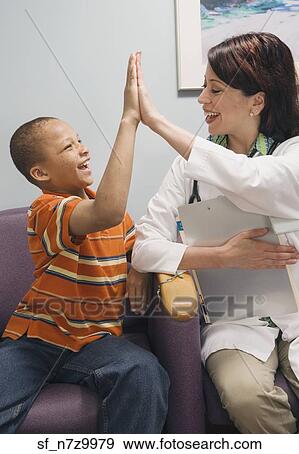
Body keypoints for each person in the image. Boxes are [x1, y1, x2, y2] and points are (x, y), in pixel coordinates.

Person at [132, 33, 299, 433]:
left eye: (215, 89)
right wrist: (220, 257)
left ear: (257, 101)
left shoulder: (291, 155)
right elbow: (143, 248)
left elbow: (251, 178)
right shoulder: (186, 169)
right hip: (235, 319)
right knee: (246, 398)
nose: (202, 99)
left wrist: (155, 121)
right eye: (205, 87)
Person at [0, 53, 169, 434]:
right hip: (35, 342)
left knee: (143, 372)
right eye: (68, 148)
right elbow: (107, 209)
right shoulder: (46, 210)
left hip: (97, 343)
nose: (83, 149)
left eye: (80, 141)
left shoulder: (117, 217)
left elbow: (143, 243)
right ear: (40, 173)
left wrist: (139, 266)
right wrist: (130, 120)